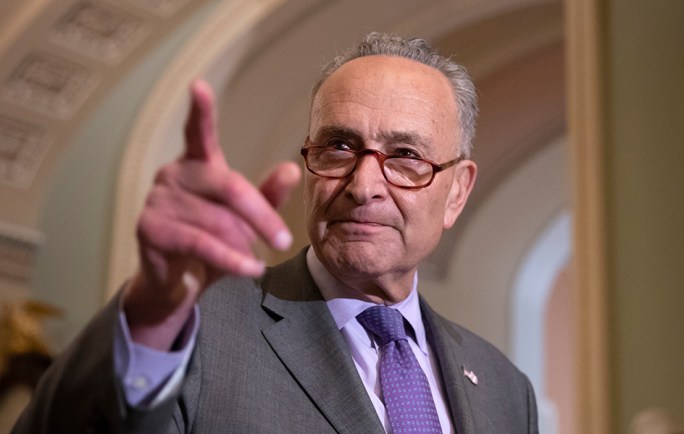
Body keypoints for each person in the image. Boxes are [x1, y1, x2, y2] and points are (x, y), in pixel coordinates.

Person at [13, 33, 537, 433]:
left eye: (405, 157)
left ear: (457, 192)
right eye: (339, 147)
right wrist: (148, 316)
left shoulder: (503, 387)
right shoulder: (190, 330)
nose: (363, 185)